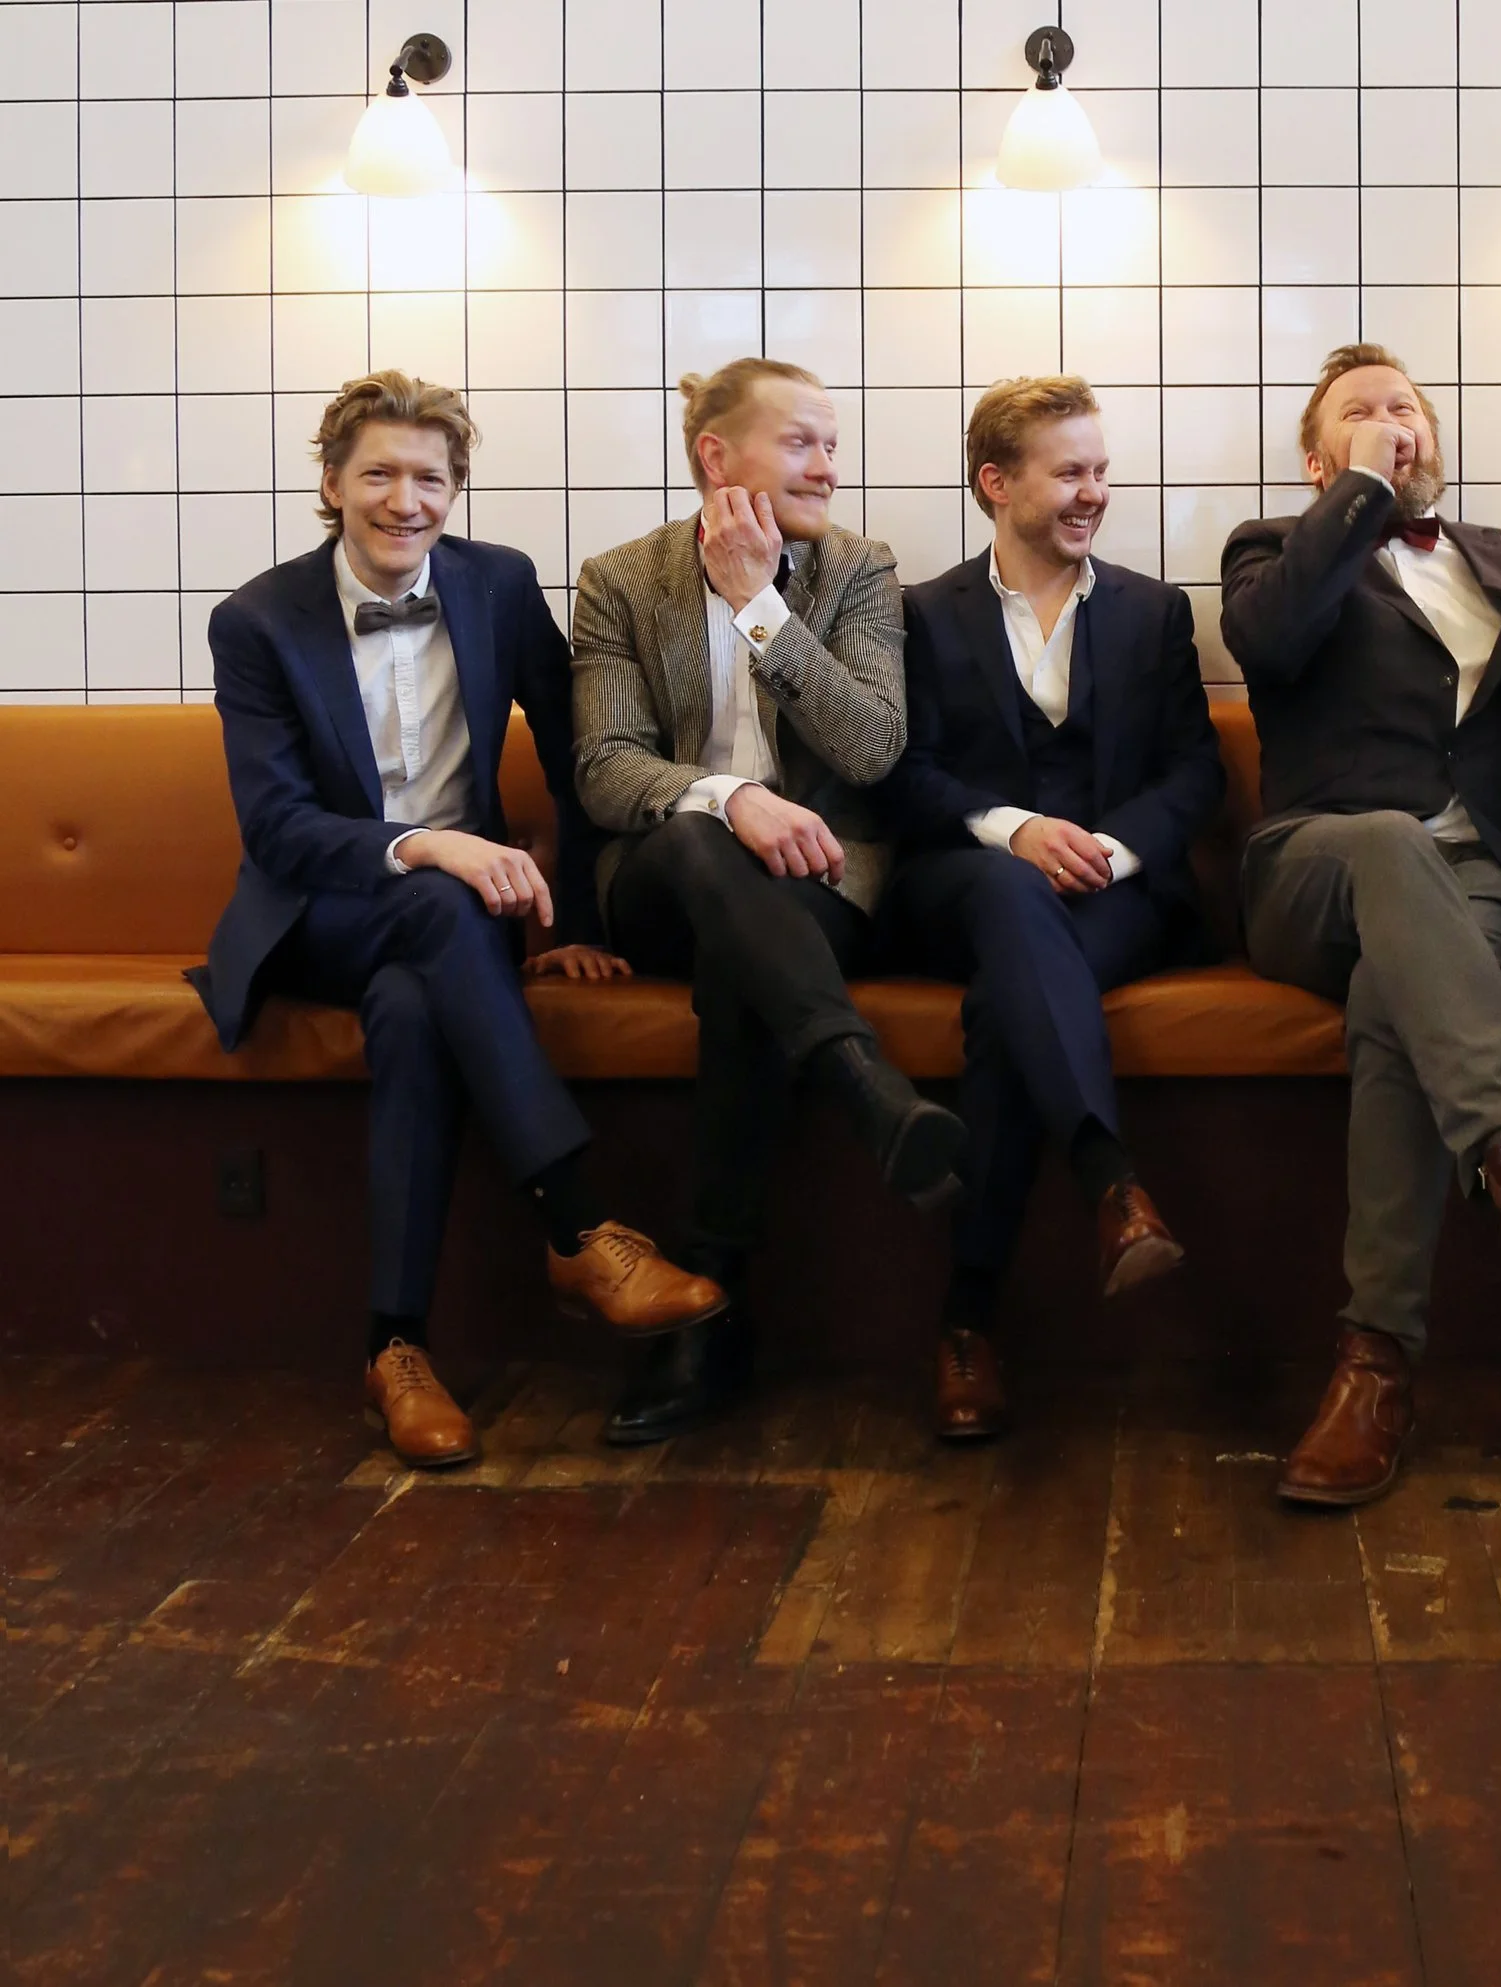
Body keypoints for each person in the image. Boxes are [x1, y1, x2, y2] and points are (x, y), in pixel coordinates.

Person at [190, 371, 727, 1468]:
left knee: (410, 1011)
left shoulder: (497, 584)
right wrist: (430, 845)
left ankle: (395, 1348)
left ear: (456, 487)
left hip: (452, 931)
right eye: (378, 474)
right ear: (332, 484)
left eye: (429, 478)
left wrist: (579, 921)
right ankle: (578, 1223)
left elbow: (579, 758)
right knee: (438, 903)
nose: (406, 500)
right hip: (323, 914)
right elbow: (279, 829)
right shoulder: (257, 621)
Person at [1222, 342, 1501, 1508]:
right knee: (1391, 841)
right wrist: (1360, 493)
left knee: (1390, 1002)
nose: (1391, 420)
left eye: (1405, 407)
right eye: (1359, 414)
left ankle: (1375, 1365)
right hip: (1319, 864)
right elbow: (1270, 642)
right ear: (1319, 462)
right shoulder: (1272, 550)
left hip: (1484, 881)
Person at [571, 358, 964, 1445]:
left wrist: (759, 608)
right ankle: (859, 1078)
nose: (829, 467)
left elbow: (873, 749)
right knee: (704, 841)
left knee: (743, 966)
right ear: (716, 456)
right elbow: (605, 766)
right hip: (665, 877)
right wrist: (731, 797)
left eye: (833, 445)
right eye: (802, 442)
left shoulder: (857, 571)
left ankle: (709, 1314)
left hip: (818, 883)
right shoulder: (621, 579)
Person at [880, 378, 1224, 1439]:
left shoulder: (1155, 612)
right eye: (1070, 471)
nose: (1094, 492)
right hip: (964, 881)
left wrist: (1111, 852)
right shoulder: (918, 614)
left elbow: (1195, 771)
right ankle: (1107, 1176)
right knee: (1004, 890)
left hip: (1116, 894)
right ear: (996, 482)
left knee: (1007, 1008)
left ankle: (967, 1320)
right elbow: (901, 774)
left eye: (1100, 471)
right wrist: (1015, 830)